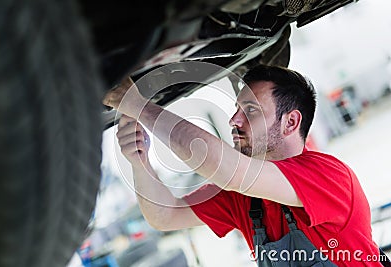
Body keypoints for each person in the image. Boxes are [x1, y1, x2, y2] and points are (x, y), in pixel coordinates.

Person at [103, 65, 385, 266]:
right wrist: (139, 161)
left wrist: (138, 105)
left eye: (250, 111)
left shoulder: (328, 176)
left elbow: (223, 167)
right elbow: (164, 216)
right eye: (237, 110)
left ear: (291, 122)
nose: (234, 121)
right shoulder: (246, 199)